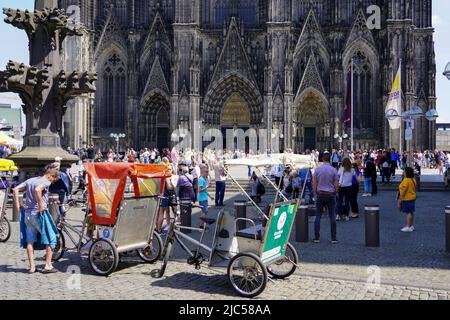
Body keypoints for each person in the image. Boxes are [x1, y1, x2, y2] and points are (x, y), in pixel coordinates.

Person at [12, 167, 60, 274]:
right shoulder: (46, 182)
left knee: (30, 241)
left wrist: (17, 206)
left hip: (28, 215)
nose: (52, 182)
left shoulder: (30, 180)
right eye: (53, 180)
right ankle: (48, 266)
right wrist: (40, 206)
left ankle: (32, 267)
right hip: (39, 214)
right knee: (51, 239)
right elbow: (38, 189)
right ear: (51, 176)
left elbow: (15, 189)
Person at [313, 152, 339, 244]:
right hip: (330, 194)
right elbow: (336, 184)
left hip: (320, 194)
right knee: (332, 216)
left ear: (323, 159)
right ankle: (333, 238)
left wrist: (316, 192)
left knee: (318, 216)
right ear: (330, 159)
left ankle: (316, 237)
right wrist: (335, 192)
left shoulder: (317, 169)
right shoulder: (334, 170)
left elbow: (314, 182)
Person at [397, 167, 417, 233]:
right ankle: (411, 225)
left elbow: (404, 190)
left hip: (407, 198)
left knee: (408, 212)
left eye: (404, 171)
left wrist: (400, 199)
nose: (403, 172)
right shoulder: (413, 179)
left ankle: (408, 226)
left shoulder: (406, 180)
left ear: (406, 172)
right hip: (412, 197)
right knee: (411, 212)